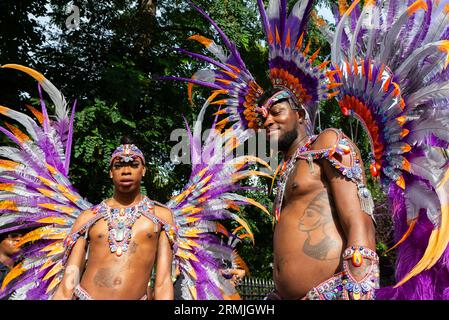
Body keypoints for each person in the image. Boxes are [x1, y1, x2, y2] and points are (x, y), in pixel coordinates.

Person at [260, 88, 378, 300]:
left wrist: (358, 284)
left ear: (300, 115)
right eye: (264, 117)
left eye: (276, 112)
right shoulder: (287, 170)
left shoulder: (326, 142)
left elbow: (358, 220)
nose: (267, 121)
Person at [52, 138, 175, 300]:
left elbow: (163, 281)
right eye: (118, 166)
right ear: (111, 172)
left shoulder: (160, 217)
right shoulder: (89, 217)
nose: (126, 171)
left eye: (133, 165)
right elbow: (68, 283)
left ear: (143, 170)